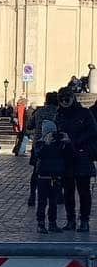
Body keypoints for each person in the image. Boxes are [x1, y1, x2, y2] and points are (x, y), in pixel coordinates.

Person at [55, 86, 97, 232]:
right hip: (65, 157)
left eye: (67, 99)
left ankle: (84, 221)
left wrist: (72, 139)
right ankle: (71, 220)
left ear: (73, 98)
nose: (65, 102)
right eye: (62, 100)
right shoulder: (58, 114)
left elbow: (93, 131)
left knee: (84, 191)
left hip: (82, 156)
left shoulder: (85, 113)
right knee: (68, 191)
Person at [31, 120, 70, 233]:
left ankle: (52, 223)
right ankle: (41, 223)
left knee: (53, 202)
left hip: (56, 176)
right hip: (43, 176)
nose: (51, 135)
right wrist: (46, 144)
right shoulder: (40, 143)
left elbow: (67, 155)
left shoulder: (59, 143)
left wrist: (67, 142)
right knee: (42, 202)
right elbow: (39, 155)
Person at [28, 92, 60, 206]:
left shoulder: (39, 111)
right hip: (54, 144)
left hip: (39, 145)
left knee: (36, 171)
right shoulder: (59, 111)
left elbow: (29, 126)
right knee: (57, 170)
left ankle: (32, 195)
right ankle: (58, 196)